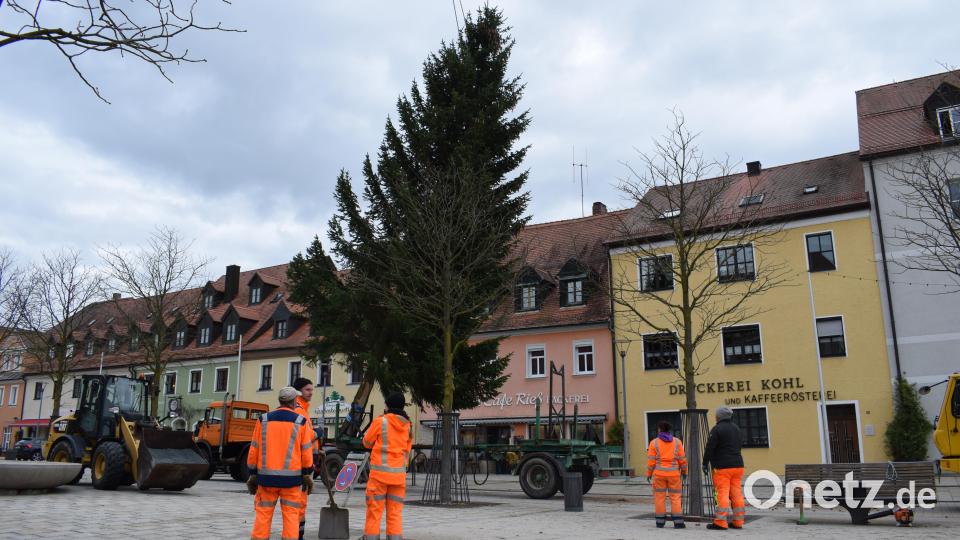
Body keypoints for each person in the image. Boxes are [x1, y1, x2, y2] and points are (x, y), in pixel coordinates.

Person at [246, 386, 315, 540]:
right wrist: (307, 473)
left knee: (263, 517)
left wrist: (252, 474)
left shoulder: (263, 420)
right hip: (292, 481)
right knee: (291, 517)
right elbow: (306, 452)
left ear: (280, 401)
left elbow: (254, 450)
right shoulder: (300, 421)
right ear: (294, 401)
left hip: (266, 480)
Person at [362, 392, 413, 540]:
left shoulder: (381, 421)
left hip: (379, 476)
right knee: (395, 513)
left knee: (374, 512)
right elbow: (407, 451)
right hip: (398, 477)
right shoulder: (408, 425)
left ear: (388, 406)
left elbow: (367, 442)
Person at [702, 406, 745, 530]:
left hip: (722, 467)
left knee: (722, 493)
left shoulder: (717, 429)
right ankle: (738, 521)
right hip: (738, 465)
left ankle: (721, 522)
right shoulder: (736, 428)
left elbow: (710, 447)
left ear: (719, 417)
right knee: (736, 493)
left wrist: (705, 463)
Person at [292, 377, 321, 540]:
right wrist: (318, 433)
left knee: (301, 503)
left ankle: (297, 534)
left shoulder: (303, 409)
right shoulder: (299, 410)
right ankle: (296, 535)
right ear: (298, 391)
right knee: (299, 503)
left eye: (312, 390)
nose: (311, 393)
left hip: (307, 461)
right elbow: (305, 436)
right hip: (301, 464)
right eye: (307, 390)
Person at [646, 421, 687, 529]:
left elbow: (651, 462)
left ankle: (660, 522)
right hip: (674, 475)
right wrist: (684, 471)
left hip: (659, 475)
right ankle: (678, 522)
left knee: (659, 498)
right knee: (675, 497)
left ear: (659, 429)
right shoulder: (677, 442)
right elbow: (682, 459)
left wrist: (649, 474)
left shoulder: (654, 443)